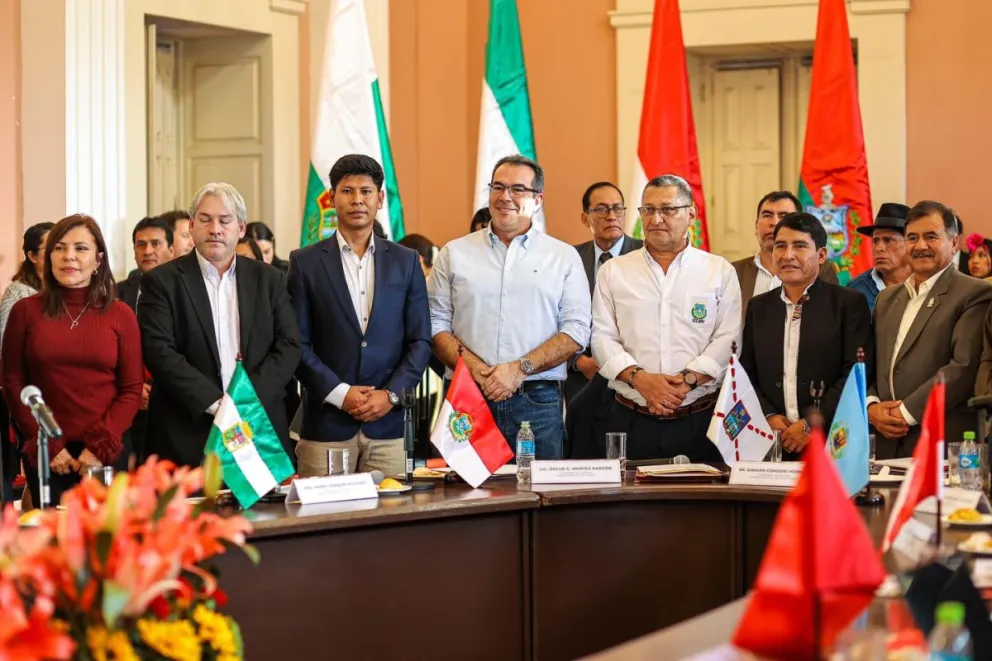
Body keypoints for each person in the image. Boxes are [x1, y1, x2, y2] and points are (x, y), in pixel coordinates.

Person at [429, 155, 590, 460]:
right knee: (466, 498)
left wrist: (518, 370)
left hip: (537, 400)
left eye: (518, 189)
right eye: (498, 187)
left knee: (539, 494)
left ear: (537, 199)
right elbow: (435, 323)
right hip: (468, 396)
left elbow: (577, 330)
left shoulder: (563, 257)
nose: (505, 197)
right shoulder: (455, 253)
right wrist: (478, 371)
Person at [138, 183, 301, 468]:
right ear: (191, 226)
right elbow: (160, 352)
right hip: (187, 430)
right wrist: (217, 404)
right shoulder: (161, 282)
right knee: (191, 513)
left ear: (240, 228)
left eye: (225, 220)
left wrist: (244, 401)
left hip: (256, 423)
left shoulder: (269, 279)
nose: (215, 229)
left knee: (263, 513)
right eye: (205, 219)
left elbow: (288, 346)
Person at [288, 155, 431, 477]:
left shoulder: (406, 262)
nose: (357, 200)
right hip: (325, 425)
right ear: (332, 198)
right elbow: (296, 343)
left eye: (366, 191)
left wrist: (390, 395)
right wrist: (341, 394)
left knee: (389, 523)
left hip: (388, 424)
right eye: (347, 191)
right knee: (324, 524)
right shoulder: (305, 263)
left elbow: (420, 340)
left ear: (380, 199)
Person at [591, 174, 740, 462]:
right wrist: (641, 380)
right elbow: (601, 337)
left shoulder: (718, 271)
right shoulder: (614, 271)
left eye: (668, 210)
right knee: (628, 506)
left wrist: (686, 381)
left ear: (691, 214)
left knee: (704, 506)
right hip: (630, 419)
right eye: (648, 209)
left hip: (701, 420)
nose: (656, 219)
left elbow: (729, 339)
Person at [2, 214, 142, 505]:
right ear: (48, 257)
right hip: (47, 453)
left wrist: (99, 447)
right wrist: (49, 445)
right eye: (60, 248)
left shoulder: (120, 314)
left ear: (98, 259)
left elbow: (131, 390)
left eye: (81, 248)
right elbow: (13, 384)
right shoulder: (25, 311)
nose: (69, 257)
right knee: (49, 545)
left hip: (106, 453)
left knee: (108, 544)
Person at [739, 213, 872, 459]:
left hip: (832, 441)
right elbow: (746, 371)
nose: (787, 255)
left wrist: (812, 423)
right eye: (780, 246)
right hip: (773, 439)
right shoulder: (759, 307)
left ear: (821, 256)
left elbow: (855, 374)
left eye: (799, 246)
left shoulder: (847, 303)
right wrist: (768, 415)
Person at [869, 201, 992, 459]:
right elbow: (868, 364)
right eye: (912, 237)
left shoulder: (975, 293)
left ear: (954, 243)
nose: (921, 246)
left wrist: (903, 414)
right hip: (885, 445)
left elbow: (962, 367)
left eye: (931, 237)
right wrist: (872, 408)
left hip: (941, 444)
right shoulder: (886, 299)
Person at [565, 182, 643, 405]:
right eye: (601, 209)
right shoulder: (571, 258)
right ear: (585, 217)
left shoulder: (646, 254)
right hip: (583, 377)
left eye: (618, 208)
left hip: (636, 375)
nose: (611, 216)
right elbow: (552, 315)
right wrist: (578, 361)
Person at [0, 222, 53, 501]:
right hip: (30, 395)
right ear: (32, 256)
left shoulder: (61, 290)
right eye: (51, 247)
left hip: (59, 391)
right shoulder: (18, 293)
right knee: (36, 471)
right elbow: (4, 346)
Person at [732, 191, 838, 322]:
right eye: (767, 215)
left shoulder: (821, 268)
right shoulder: (733, 271)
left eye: (784, 216)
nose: (774, 222)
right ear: (756, 225)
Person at [846, 203, 912, 310]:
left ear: (910, 243)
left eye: (888, 240)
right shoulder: (856, 290)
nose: (879, 248)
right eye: (875, 241)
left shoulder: (926, 284)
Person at [117, 216, 174, 310]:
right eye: (141, 245)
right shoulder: (118, 292)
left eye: (155, 244)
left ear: (171, 251)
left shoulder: (185, 289)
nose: (147, 251)